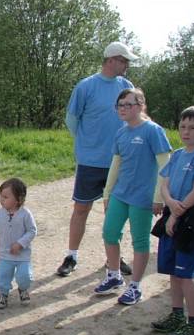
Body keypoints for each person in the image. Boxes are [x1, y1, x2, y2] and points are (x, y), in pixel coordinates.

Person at [57, 42, 138, 278]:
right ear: (111, 59)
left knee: (115, 211)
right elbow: (72, 119)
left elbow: (134, 118)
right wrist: (85, 143)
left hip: (119, 160)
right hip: (90, 160)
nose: (127, 65)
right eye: (124, 60)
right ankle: (71, 255)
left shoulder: (127, 87)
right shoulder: (86, 86)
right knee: (81, 208)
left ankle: (114, 258)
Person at [97, 88, 171, 305]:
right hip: (120, 194)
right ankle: (114, 276)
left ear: (141, 105)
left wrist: (159, 197)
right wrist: (107, 193)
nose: (123, 109)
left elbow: (165, 165)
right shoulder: (121, 132)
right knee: (109, 233)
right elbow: (116, 164)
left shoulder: (153, 131)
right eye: (120, 105)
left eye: (128, 104)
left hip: (143, 197)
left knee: (140, 241)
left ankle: (135, 286)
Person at [154, 105, 194, 335]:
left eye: (193, 128)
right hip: (173, 213)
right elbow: (165, 184)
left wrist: (176, 213)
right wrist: (169, 203)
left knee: (186, 275)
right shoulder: (178, 154)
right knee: (173, 271)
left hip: (191, 217)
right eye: (183, 127)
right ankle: (177, 314)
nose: (186, 132)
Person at [0, 178, 37, 309]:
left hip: (23, 256)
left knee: (24, 276)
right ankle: (3, 294)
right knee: (3, 276)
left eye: (6, 197)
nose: (2, 199)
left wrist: (20, 244)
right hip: (5, 255)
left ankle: (23, 290)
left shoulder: (25, 214)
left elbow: (32, 231)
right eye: (1, 196)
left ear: (18, 199)